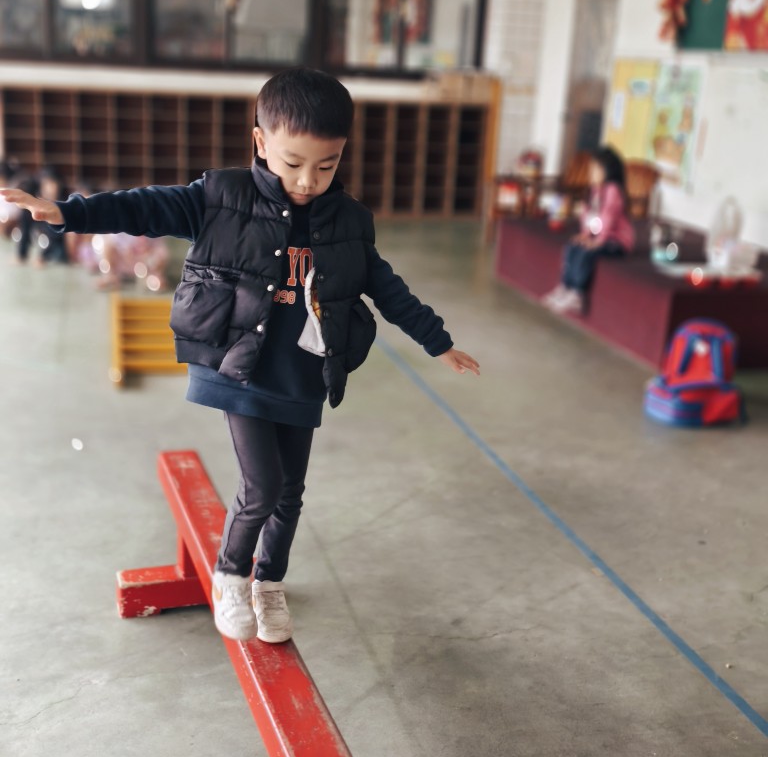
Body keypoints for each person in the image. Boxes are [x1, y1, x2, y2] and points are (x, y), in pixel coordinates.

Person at [1, 68, 480, 645]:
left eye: (326, 166)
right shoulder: (222, 197)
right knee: (263, 486)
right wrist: (70, 213)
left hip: (303, 373)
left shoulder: (350, 223)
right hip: (241, 366)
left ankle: (268, 584)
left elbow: (388, 288)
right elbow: (146, 207)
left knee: (291, 493)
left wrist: (438, 341)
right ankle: (231, 576)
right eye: (293, 162)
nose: (307, 180)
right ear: (260, 141)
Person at [543, 146, 635, 315]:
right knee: (572, 247)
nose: (592, 173)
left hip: (616, 241)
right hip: (598, 236)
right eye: (591, 169)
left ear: (608, 171)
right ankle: (565, 287)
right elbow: (589, 217)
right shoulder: (594, 191)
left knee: (586, 253)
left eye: (596, 169)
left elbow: (608, 217)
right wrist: (586, 235)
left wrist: (598, 241)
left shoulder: (612, 190)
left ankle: (577, 293)